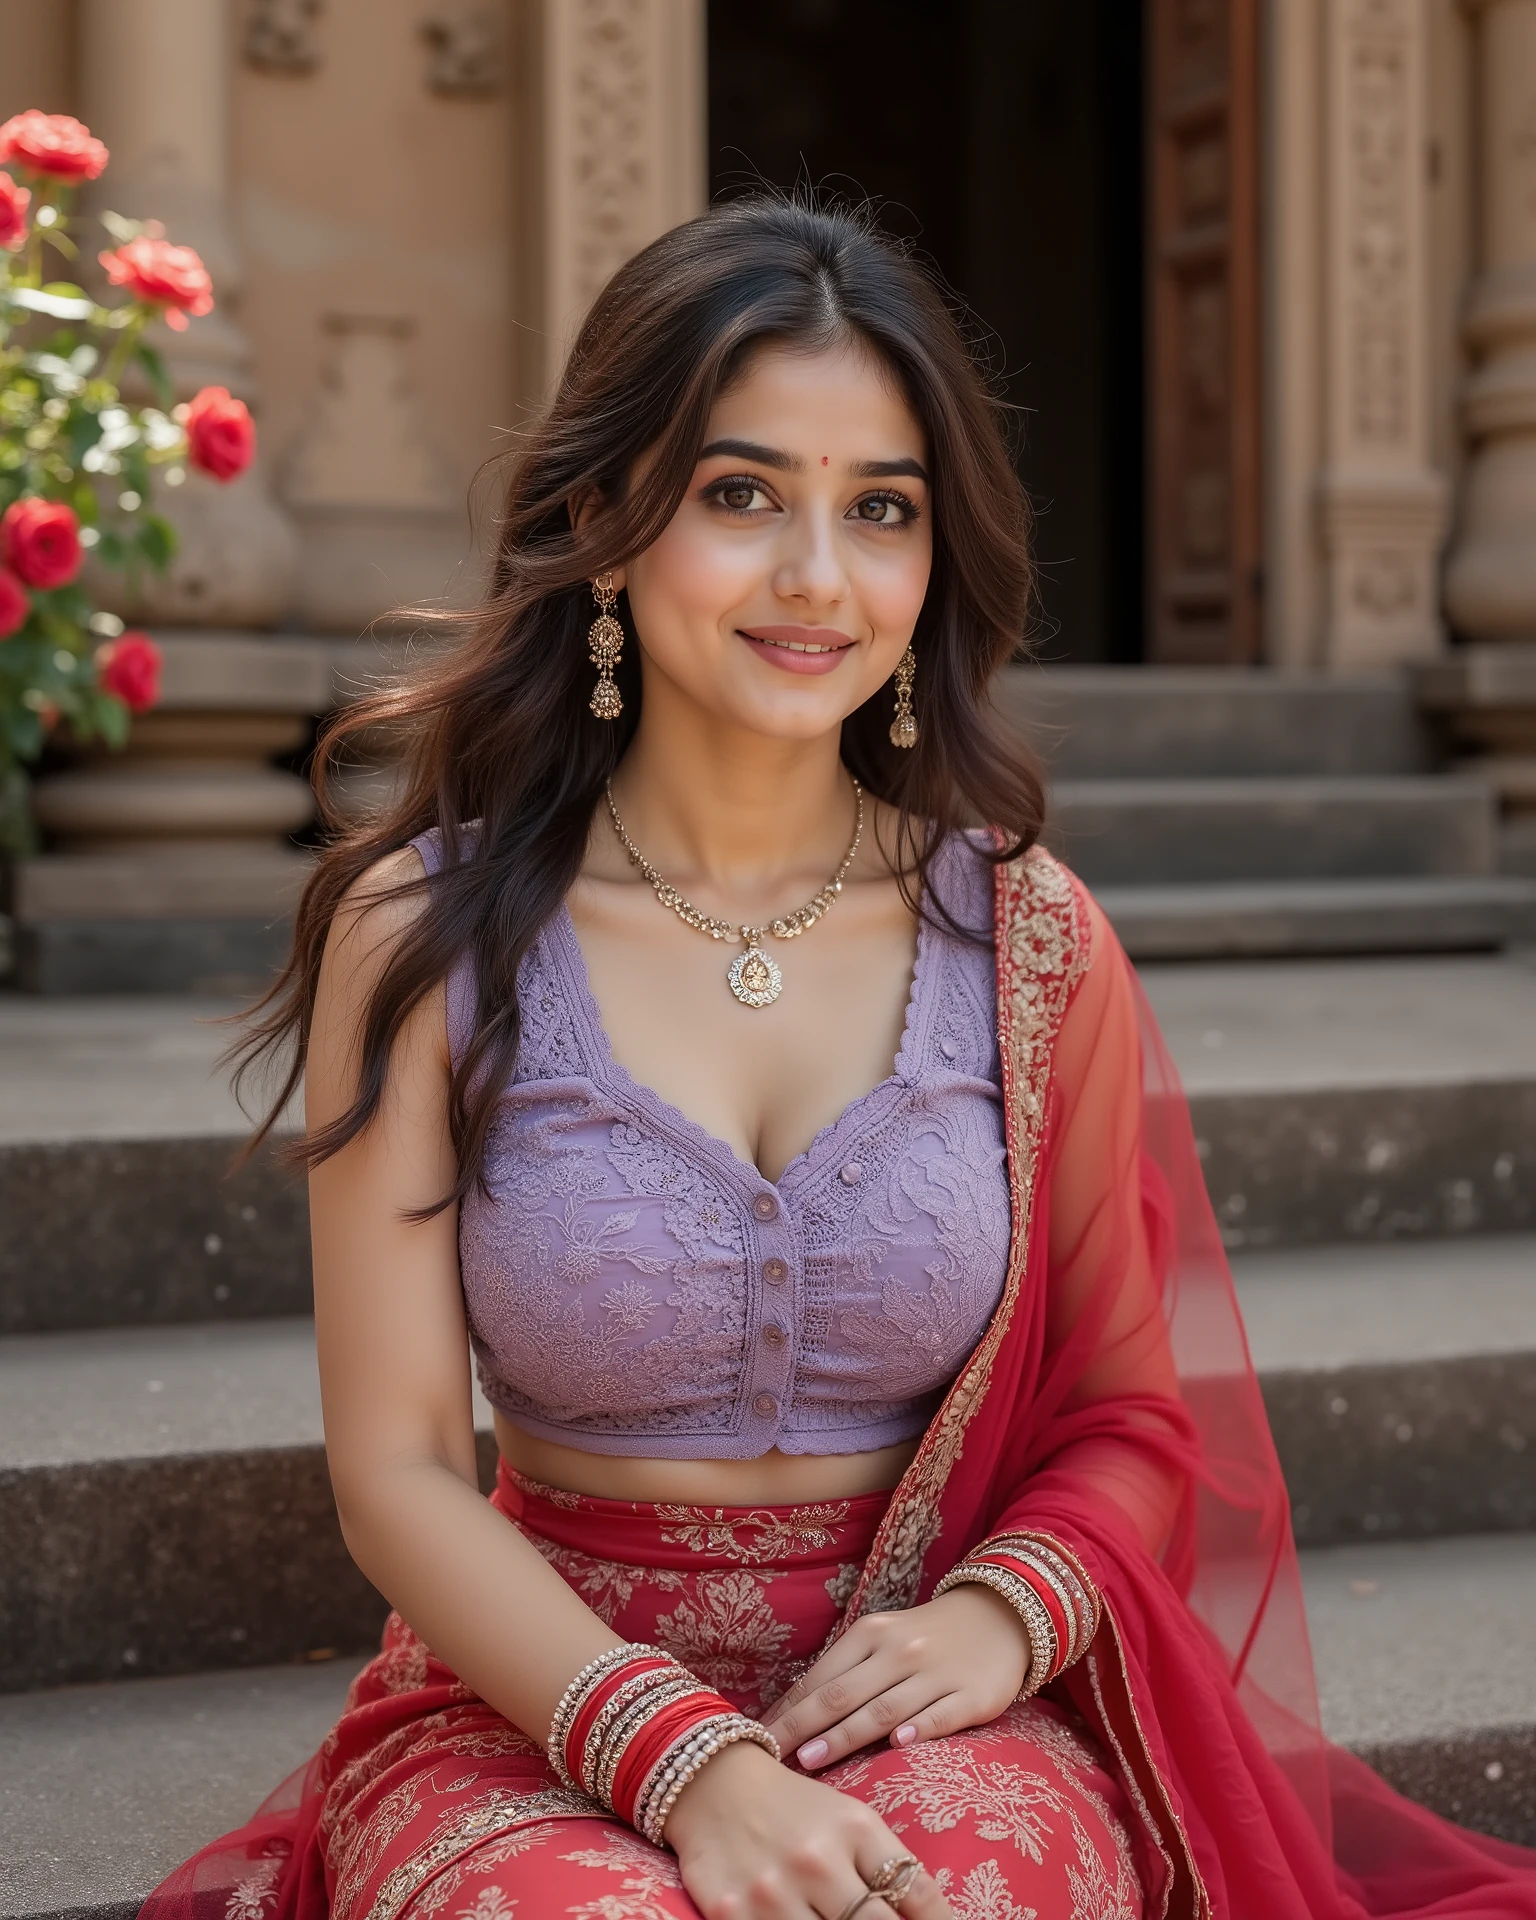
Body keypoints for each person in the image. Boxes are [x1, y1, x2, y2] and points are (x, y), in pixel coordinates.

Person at [142, 197, 1536, 1920]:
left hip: (929, 1692)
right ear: (603, 520)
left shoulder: (1025, 942)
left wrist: (997, 1616)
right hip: (536, 1698)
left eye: (881, 510)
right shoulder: (425, 939)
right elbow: (403, 1469)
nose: (819, 577)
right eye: (743, 496)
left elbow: (1123, 1417)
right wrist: (684, 1762)